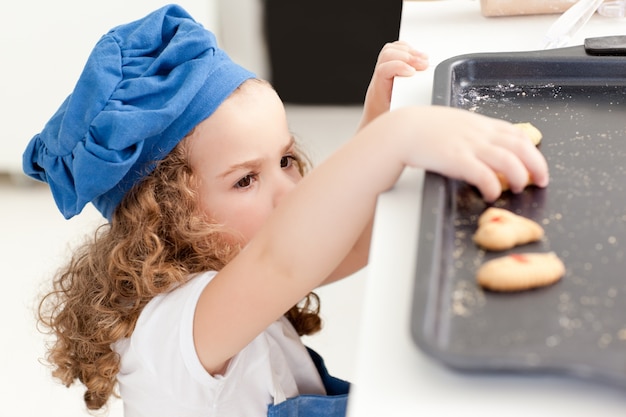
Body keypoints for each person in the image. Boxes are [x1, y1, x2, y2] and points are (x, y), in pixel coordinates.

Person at [22, 4, 549, 417]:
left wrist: (373, 125)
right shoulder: (171, 335)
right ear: (163, 214)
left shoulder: (226, 262)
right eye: (247, 179)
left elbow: (340, 242)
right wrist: (391, 140)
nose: (289, 192)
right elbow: (286, 259)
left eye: (287, 159)